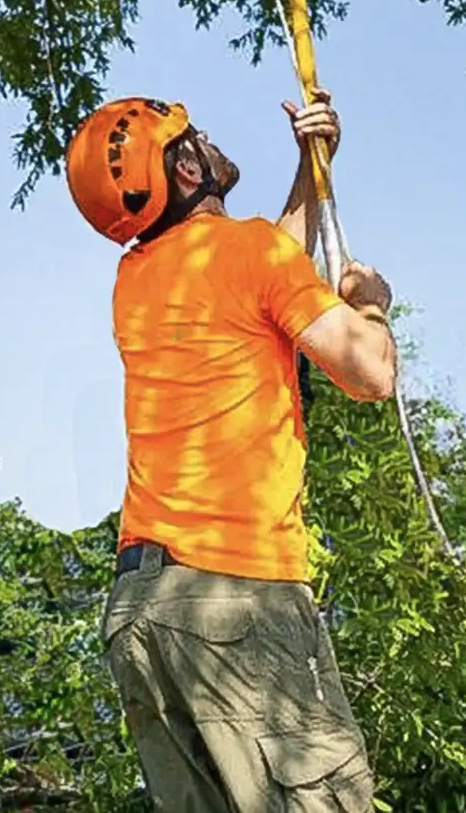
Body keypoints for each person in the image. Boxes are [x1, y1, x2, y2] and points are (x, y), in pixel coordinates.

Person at [66, 91, 397, 812]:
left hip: (144, 614)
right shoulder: (248, 254)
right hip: (236, 596)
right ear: (185, 169)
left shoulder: (139, 280)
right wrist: (371, 302)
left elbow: (260, 273)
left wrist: (313, 169)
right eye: (196, 137)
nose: (210, 143)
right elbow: (370, 372)